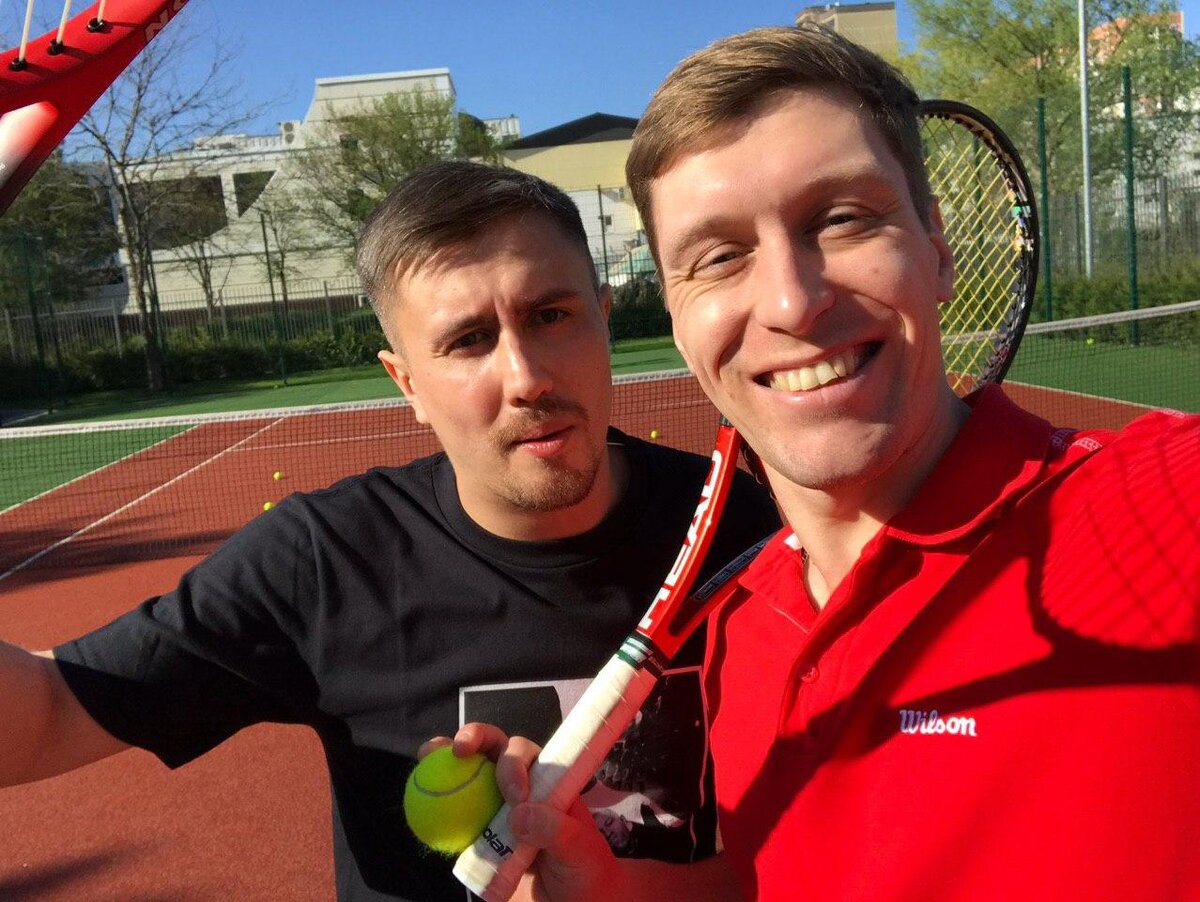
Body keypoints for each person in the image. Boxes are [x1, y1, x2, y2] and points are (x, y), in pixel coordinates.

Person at [456, 24, 1200, 902]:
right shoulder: (739, 632)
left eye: (842, 219)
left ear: (937, 248)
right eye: (719, 257)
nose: (792, 301)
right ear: (679, 323)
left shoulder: (1166, 502)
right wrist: (611, 892)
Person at [0, 161, 780, 901]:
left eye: (551, 316)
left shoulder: (743, 521)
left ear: (603, 320)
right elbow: (47, 717)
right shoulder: (325, 561)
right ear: (406, 382)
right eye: (468, 340)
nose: (527, 377)